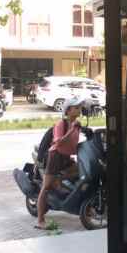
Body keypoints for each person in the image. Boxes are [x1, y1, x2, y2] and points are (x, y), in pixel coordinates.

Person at [36, 98, 82, 229]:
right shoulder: (61, 124)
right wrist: (71, 130)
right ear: (68, 110)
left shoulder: (77, 125)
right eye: (76, 107)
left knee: (81, 172)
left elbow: (74, 142)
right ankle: (40, 221)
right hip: (55, 156)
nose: (79, 109)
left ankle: (58, 180)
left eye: (79, 107)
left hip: (66, 157)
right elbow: (58, 142)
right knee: (46, 188)